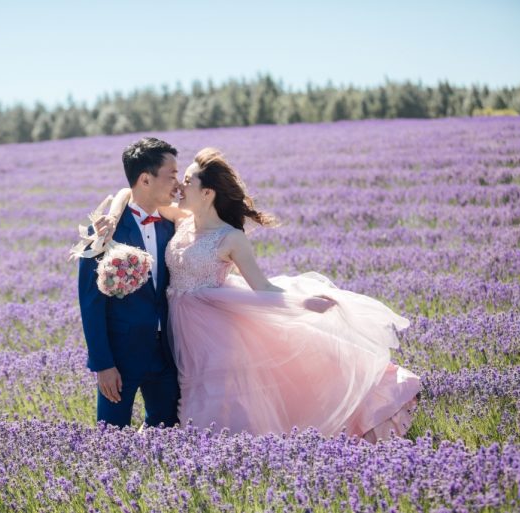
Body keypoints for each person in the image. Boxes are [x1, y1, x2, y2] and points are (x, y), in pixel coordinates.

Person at [94, 147, 420, 441]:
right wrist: (111, 214)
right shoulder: (182, 219)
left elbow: (262, 287)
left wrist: (301, 303)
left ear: (206, 193)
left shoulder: (231, 238)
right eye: (179, 178)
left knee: (215, 397)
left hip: (213, 326)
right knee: (183, 394)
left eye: (188, 180)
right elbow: (131, 192)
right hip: (179, 326)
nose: (180, 186)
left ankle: (228, 456)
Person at [77, 137, 182, 429]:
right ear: (146, 179)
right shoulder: (102, 232)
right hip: (120, 358)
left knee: (168, 439)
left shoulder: (173, 225)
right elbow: (90, 304)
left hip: (167, 355)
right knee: (110, 439)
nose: (178, 183)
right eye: (172, 175)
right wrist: (102, 364)